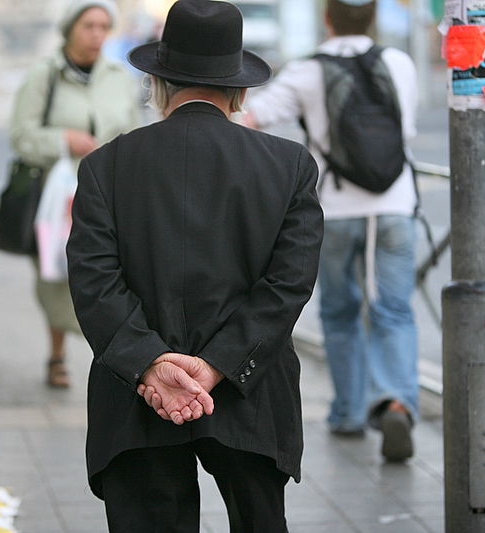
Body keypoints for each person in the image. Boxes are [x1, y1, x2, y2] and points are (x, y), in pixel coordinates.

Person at [67, 1, 323, 531]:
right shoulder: (289, 165)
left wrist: (154, 364)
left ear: (158, 85)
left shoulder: (103, 167)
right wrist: (216, 367)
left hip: (136, 398)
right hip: (249, 390)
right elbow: (288, 285)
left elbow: (95, 283)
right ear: (240, 91)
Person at [243, 0, 419, 461]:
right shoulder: (399, 62)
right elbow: (407, 132)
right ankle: (396, 400)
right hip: (395, 207)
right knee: (394, 311)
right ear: (373, 18)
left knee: (340, 314)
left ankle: (346, 413)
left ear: (327, 19)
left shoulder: (307, 71)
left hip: (335, 210)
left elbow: (252, 117)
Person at [11, 0, 141, 387]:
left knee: (115, 274)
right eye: (89, 25)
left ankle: (112, 356)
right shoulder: (43, 76)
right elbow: (21, 136)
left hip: (111, 194)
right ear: (70, 29)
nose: (97, 34)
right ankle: (56, 355)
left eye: (104, 26)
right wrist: (63, 140)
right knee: (55, 274)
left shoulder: (119, 77)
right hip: (57, 198)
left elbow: (134, 137)